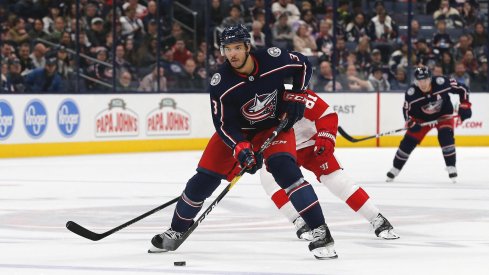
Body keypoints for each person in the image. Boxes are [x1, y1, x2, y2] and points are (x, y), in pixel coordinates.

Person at [148, 24, 338, 259]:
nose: (232, 54)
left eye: (237, 47)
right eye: (227, 49)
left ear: (248, 46)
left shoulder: (272, 58)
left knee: (285, 171)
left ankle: (320, 231)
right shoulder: (221, 83)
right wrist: (242, 149)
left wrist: (297, 95)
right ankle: (176, 231)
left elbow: (303, 64)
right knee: (201, 183)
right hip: (239, 132)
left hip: (273, 128)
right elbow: (224, 125)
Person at [260, 85, 399, 240]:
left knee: (335, 179)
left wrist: (325, 136)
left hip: (310, 143)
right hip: (281, 147)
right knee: (268, 179)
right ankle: (300, 222)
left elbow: (326, 114)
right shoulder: (248, 96)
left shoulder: (291, 91)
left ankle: (377, 219)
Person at [386, 67, 472, 183]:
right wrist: (411, 122)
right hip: (421, 120)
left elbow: (462, 88)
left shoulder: (442, 82)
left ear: (430, 79)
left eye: (425, 80)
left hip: (443, 116)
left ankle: (451, 166)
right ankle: (396, 167)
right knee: (408, 142)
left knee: (446, 136)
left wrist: (465, 105)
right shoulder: (411, 93)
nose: (423, 84)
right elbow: (406, 110)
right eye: (419, 81)